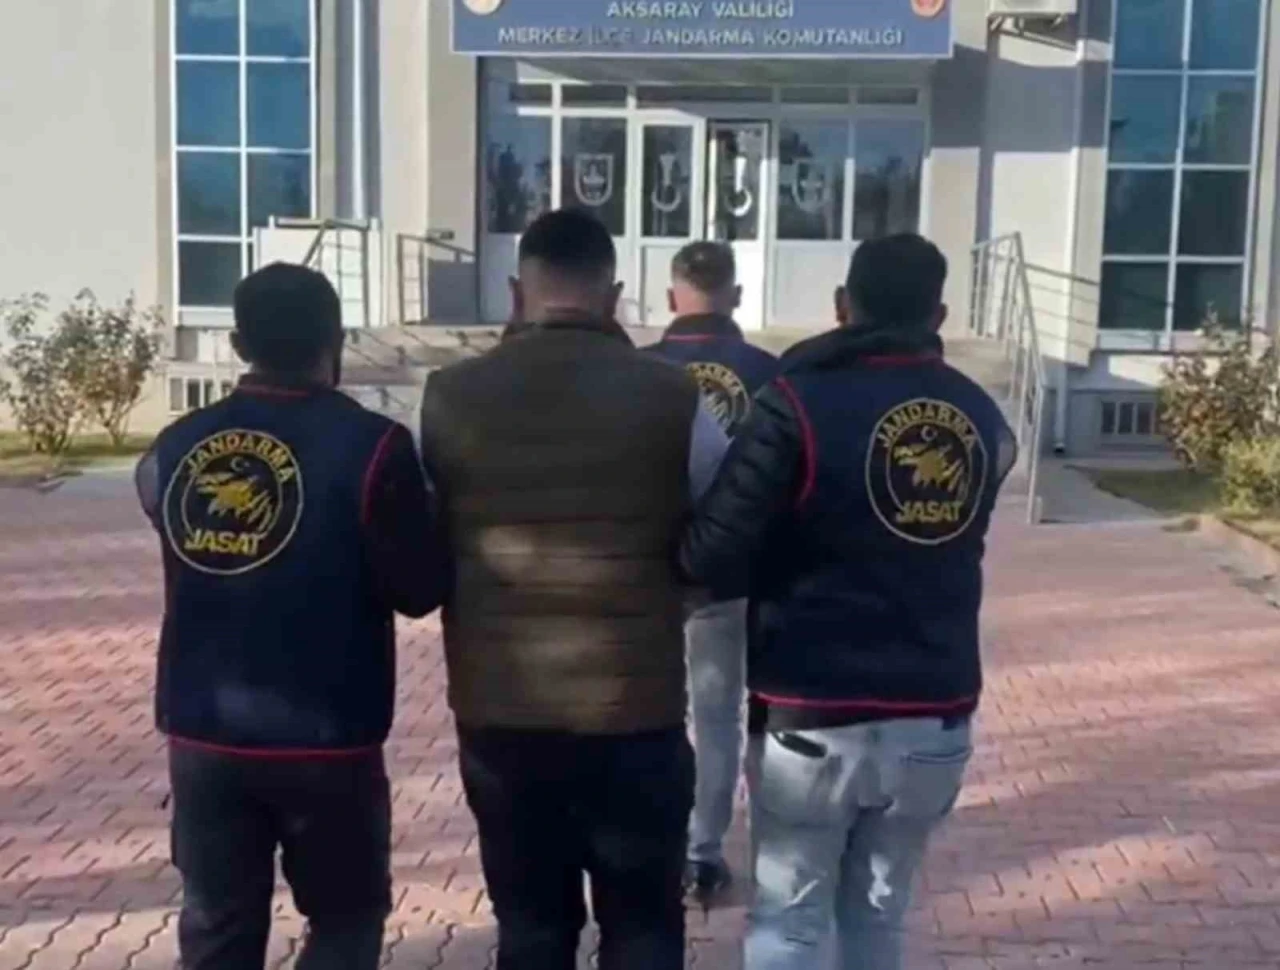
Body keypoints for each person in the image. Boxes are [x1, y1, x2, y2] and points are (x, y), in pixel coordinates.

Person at [679, 234, 1017, 970]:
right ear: (939, 315)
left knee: (790, 922)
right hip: (934, 707)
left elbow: (713, 549)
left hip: (813, 707)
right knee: (878, 918)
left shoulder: (797, 402)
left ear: (842, 305)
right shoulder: (982, 415)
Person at [419, 208, 729, 970]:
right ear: (614, 296)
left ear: (515, 292)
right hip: (636, 714)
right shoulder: (676, 397)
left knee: (531, 930)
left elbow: (423, 542)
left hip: (501, 717)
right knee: (644, 933)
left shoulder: (447, 397)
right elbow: (723, 533)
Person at [134, 262, 446, 970]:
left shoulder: (175, 446)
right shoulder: (374, 447)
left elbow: (165, 521)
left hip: (204, 731)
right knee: (344, 922)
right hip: (327, 736)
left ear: (239, 343)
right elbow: (418, 589)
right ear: (335, 339)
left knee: (217, 928)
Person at [646, 241, 778, 906]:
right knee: (721, 717)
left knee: (652, 715)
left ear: (672, 297)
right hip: (733, 574)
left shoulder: (639, 370)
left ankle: (658, 845)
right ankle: (703, 852)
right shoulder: (771, 374)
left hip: (651, 573)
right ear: (737, 296)